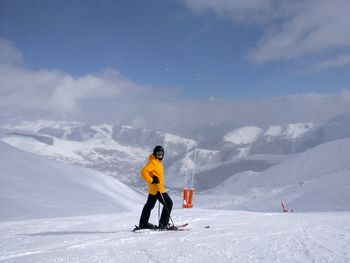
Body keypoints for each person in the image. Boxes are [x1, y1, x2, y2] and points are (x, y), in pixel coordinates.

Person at [138, 145, 176, 230]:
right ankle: (163, 224)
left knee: (148, 206)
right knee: (168, 203)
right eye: (158, 154)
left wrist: (153, 179)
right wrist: (151, 180)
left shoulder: (158, 162)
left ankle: (143, 224)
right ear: (154, 154)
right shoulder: (153, 163)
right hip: (158, 189)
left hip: (154, 190)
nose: (160, 156)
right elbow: (143, 172)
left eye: (161, 154)